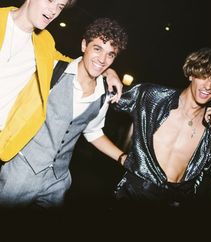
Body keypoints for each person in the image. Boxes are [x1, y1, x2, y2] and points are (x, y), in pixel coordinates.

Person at [0, 17, 128, 208]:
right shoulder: (53, 70)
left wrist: (122, 157)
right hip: (21, 172)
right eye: (97, 48)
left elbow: (93, 132)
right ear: (84, 45)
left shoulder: (104, 94)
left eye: (111, 54)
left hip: (58, 181)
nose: (102, 60)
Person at [0, 0, 124, 164]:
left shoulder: (45, 43)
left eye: (59, 7)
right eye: (49, 1)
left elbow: (74, 63)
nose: (53, 12)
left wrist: (108, 70)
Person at [113, 47, 211, 208]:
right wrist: (109, 73)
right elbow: (100, 98)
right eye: (204, 74)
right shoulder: (152, 97)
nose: (208, 85)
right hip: (132, 198)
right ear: (191, 74)